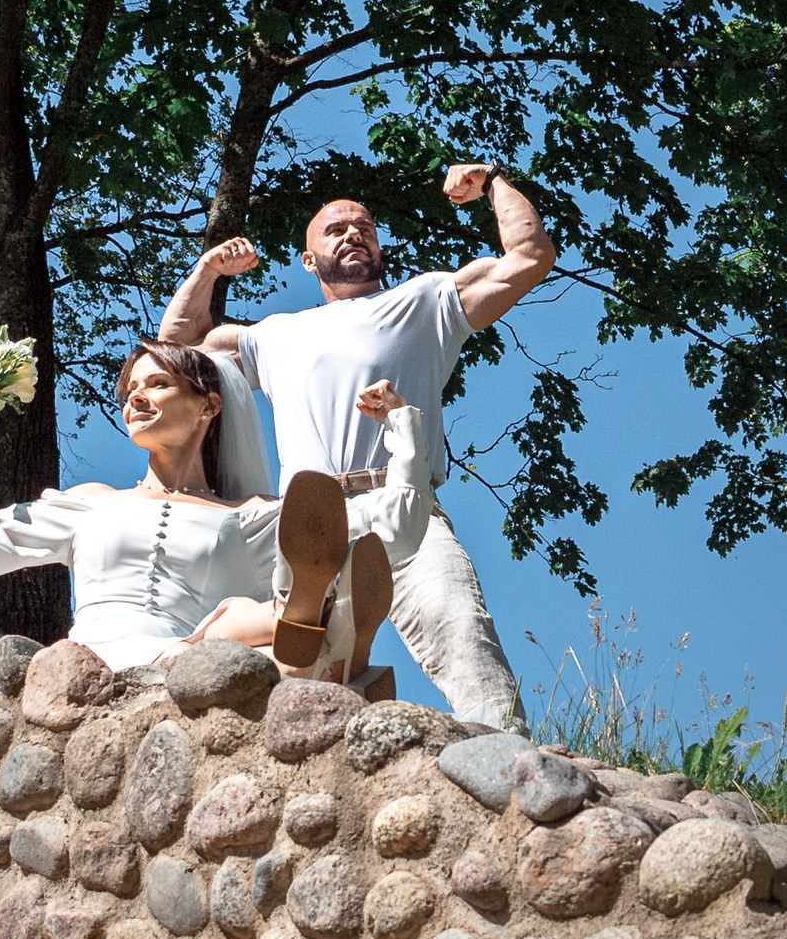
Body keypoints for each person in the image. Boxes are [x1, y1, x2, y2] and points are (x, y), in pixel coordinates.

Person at [158, 163, 553, 727]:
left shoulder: (424, 302)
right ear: (308, 259)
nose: (353, 233)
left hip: (403, 504)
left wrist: (491, 182)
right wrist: (206, 271)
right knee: (299, 669)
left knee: (460, 629)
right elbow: (177, 350)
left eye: (363, 226)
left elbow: (529, 257)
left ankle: (505, 757)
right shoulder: (271, 335)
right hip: (307, 523)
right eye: (335, 228)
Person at [0, 339, 432, 678]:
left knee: (231, 626)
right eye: (130, 391)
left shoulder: (252, 515)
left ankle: (305, 614)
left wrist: (402, 423)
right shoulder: (92, 505)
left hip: (189, 659)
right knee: (242, 627)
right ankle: (323, 627)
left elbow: (400, 529)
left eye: (156, 385)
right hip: (91, 662)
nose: (134, 400)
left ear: (208, 406)